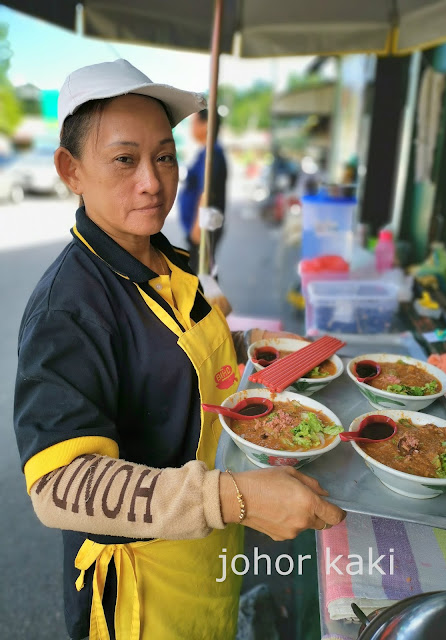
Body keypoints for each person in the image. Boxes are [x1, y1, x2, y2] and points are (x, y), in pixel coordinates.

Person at [13, 59, 345, 640]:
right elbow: (58, 485)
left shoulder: (167, 260)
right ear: (71, 170)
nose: (152, 181)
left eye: (164, 156)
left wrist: (260, 351)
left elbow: (180, 359)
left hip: (208, 546)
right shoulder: (69, 309)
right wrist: (235, 497)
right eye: (124, 159)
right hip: (142, 588)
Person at [178, 108, 227, 273]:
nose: (191, 127)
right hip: (199, 226)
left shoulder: (212, 154)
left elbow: (206, 191)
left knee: (202, 276)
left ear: (206, 125)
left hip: (203, 227)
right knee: (202, 271)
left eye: (194, 122)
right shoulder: (205, 152)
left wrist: (199, 226)